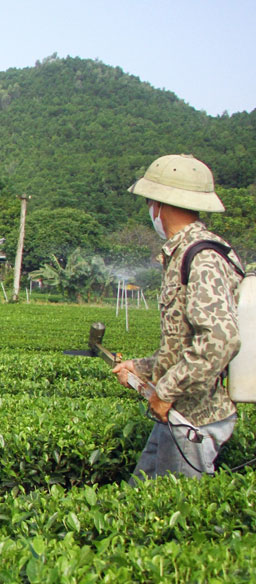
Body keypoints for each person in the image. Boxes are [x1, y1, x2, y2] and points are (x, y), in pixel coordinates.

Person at [112, 154, 244, 480]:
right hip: (177, 414)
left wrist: (166, 389)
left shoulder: (202, 257)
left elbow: (220, 339)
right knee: (141, 500)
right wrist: (141, 367)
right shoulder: (181, 253)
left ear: (161, 205)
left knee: (173, 513)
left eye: (149, 201)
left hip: (194, 420)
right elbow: (182, 344)